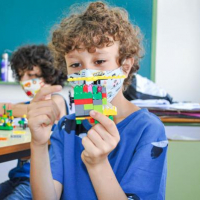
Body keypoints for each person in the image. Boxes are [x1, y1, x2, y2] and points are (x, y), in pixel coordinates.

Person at [28, 2, 168, 200]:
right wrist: (38, 144)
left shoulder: (148, 129)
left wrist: (97, 164)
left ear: (125, 67)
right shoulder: (66, 127)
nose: (87, 74)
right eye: (76, 65)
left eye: (100, 62)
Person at [0, 44, 68, 200]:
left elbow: (18, 110)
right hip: (18, 177)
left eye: (31, 75)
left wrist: (9, 109)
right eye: (21, 75)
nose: (24, 81)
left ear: (49, 74)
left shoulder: (56, 101)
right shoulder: (28, 106)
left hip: (41, 181)